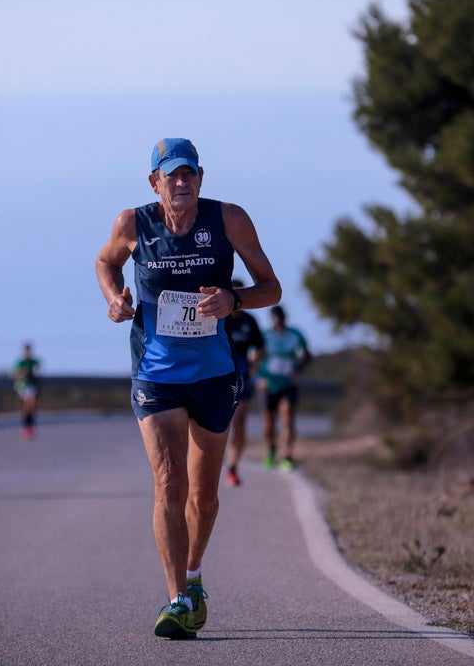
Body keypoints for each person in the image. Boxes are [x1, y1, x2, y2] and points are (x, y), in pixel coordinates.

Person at [95, 137, 281, 639]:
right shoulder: (133, 224)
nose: (181, 183)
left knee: (203, 496)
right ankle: (177, 598)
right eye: (171, 175)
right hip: (156, 375)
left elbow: (272, 287)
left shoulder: (229, 219)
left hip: (215, 375)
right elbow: (105, 262)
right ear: (153, 181)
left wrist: (234, 299)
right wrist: (115, 299)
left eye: (190, 174)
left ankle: (194, 575)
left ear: (201, 177)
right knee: (169, 484)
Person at [257, 305, 311, 472]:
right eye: (276, 321)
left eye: (281, 320)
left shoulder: (295, 334)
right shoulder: (264, 335)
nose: (278, 324)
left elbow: (307, 355)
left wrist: (298, 371)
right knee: (269, 423)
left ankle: (287, 455)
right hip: (270, 383)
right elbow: (254, 358)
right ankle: (271, 450)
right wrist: (259, 378)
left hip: (288, 383)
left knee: (287, 416)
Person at [224, 278, 264, 488]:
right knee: (220, 424)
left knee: (238, 423)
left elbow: (261, 347)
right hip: (220, 377)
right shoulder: (219, 316)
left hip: (244, 377)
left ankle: (232, 467)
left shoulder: (250, 321)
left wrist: (256, 357)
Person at [10, 342, 41, 439]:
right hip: (22, 386)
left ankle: (30, 427)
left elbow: (39, 371)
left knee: (31, 406)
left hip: (32, 386)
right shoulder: (20, 362)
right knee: (26, 407)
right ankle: (26, 428)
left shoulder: (34, 361)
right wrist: (21, 374)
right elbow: (12, 375)